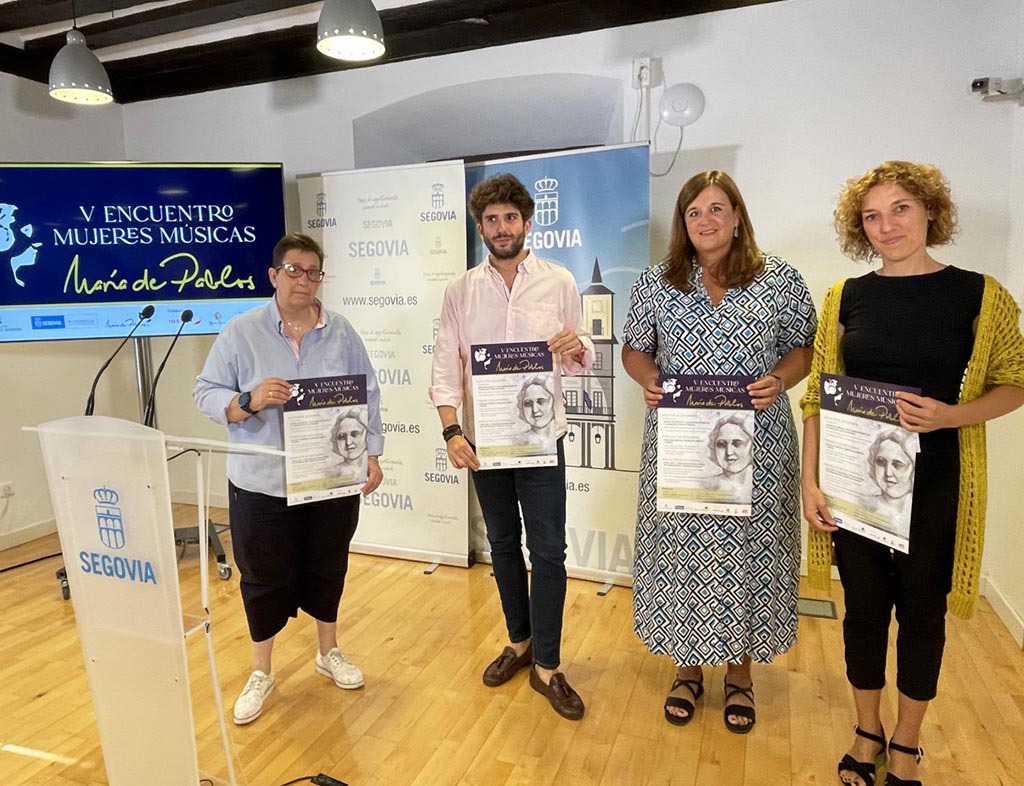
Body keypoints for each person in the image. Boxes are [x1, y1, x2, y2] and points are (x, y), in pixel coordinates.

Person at [800, 161, 1024, 786]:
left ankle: (907, 741)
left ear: (930, 212)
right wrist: (810, 481)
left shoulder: (980, 294)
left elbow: (1016, 383)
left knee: (922, 614)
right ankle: (866, 731)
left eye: (900, 209)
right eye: (872, 215)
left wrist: (952, 414)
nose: (887, 225)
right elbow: (819, 395)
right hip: (853, 486)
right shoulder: (846, 297)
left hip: (936, 485)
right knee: (864, 611)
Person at [622, 170, 816, 732]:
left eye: (716, 208)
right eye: (694, 212)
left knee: (747, 555)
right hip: (680, 442)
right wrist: (648, 377)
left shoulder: (779, 279)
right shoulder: (659, 283)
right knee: (683, 554)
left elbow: (803, 350)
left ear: (736, 216)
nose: (705, 220)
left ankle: (740, 676)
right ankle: (686, 669)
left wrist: (780, 379)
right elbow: (637, 351)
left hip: (755, 441)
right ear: (684, 224)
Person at [194, 233, 384, 726]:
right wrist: (249, 400)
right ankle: (262, 671)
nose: (304, 280)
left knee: (328, 565)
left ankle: (328, 652)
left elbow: (369, 395)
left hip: (328, 478)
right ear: (274, 276)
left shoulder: (341, 332)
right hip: (261, 482)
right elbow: (206, 392)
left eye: (313, 271)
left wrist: (373, 453)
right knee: (262, 577)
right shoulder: (241, 332)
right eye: (294, 271)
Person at [429, 172, 593, 720]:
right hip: (483, 442)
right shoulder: (460, 290)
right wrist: (452, 430)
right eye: (492, 220)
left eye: (510, 218)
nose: (502, 228)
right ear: (481, 228)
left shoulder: (560, 281)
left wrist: (579, 345)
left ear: (527, 222)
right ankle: (519, 644)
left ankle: (547, 665)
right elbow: (445, 363)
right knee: (501, 546)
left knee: (548, 551)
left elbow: (581, 353)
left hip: (542, 439)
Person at [863, 429, 916, 519]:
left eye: (898, 465)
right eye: (881, 462)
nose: (888, 473)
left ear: (913, 469)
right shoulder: (864, 505)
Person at [705, 414, 755, 500]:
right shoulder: (706, 485)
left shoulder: (761, 484)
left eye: (737, 443)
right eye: (721, 444)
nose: (729, 452)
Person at [328, 406, 370, 481]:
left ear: (367, 435)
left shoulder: (377, 467)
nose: (348, 442)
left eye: (355, 434)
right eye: (341, 436)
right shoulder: (331, 474)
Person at [515, 375, 557, 449]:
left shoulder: (561, 435)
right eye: (528, 403)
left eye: (541, 401)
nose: (535, 410)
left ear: (554, 402)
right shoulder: (518, 441)